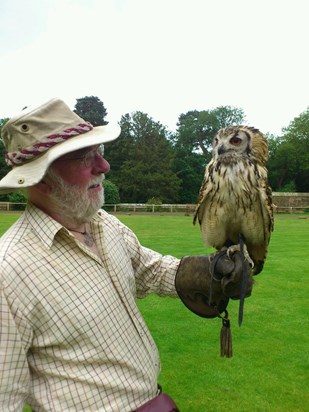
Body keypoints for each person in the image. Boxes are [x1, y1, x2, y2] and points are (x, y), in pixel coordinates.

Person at [0, 98, 252, 411]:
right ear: (42, 177)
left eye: (99, 153)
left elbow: (149, 270)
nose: (103, 166)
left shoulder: (104, 224)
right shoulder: (9, 270)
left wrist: (207, 271)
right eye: (84, 157)